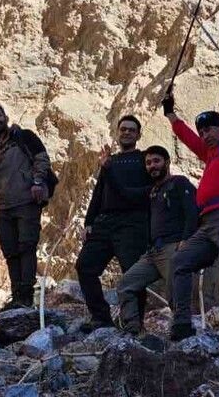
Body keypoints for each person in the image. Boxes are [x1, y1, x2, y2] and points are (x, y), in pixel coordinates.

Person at [163, 58, 219, 338]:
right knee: (180, 263)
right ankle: (181, 324)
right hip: (207, 222)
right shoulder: (210, 154)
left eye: (210, 129)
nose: (205, 135)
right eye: (203, 131)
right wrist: (171, 116)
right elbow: (188, 138)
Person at [75, 115, 152, 330]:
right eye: (123, 129)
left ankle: (134, 322)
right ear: (118, 133)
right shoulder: (111, 161)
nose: (126, 133)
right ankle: (101, 317)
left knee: (132, 273)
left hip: (132, 223)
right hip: (105, 222)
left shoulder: (144, 158)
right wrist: (89, 221)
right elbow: (99, 192)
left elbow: (147, 191)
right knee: (85, 267)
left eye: (131, 130)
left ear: (138, 135)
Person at [115, 145, 198, 336]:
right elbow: (126, 194)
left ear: (167, 162)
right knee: (125, 284)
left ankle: (183, 328)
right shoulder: (152, 191)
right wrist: (108, 169)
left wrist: (186, 240)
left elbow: (192, 212)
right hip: (152, 252)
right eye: (148, 163)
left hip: (172, 246)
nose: (152, 166)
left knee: (175, 290)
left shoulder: (180, 183)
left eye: (156, 161)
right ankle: (132, 328)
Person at [0, 104, 52, 311]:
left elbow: (42, 159)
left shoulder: (25, 137)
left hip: (26, 203)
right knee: (10, 252)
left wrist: (37, 182)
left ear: (6, 116)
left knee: (26, 247)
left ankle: (26, 296)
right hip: (4, 208)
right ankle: (16, 295)